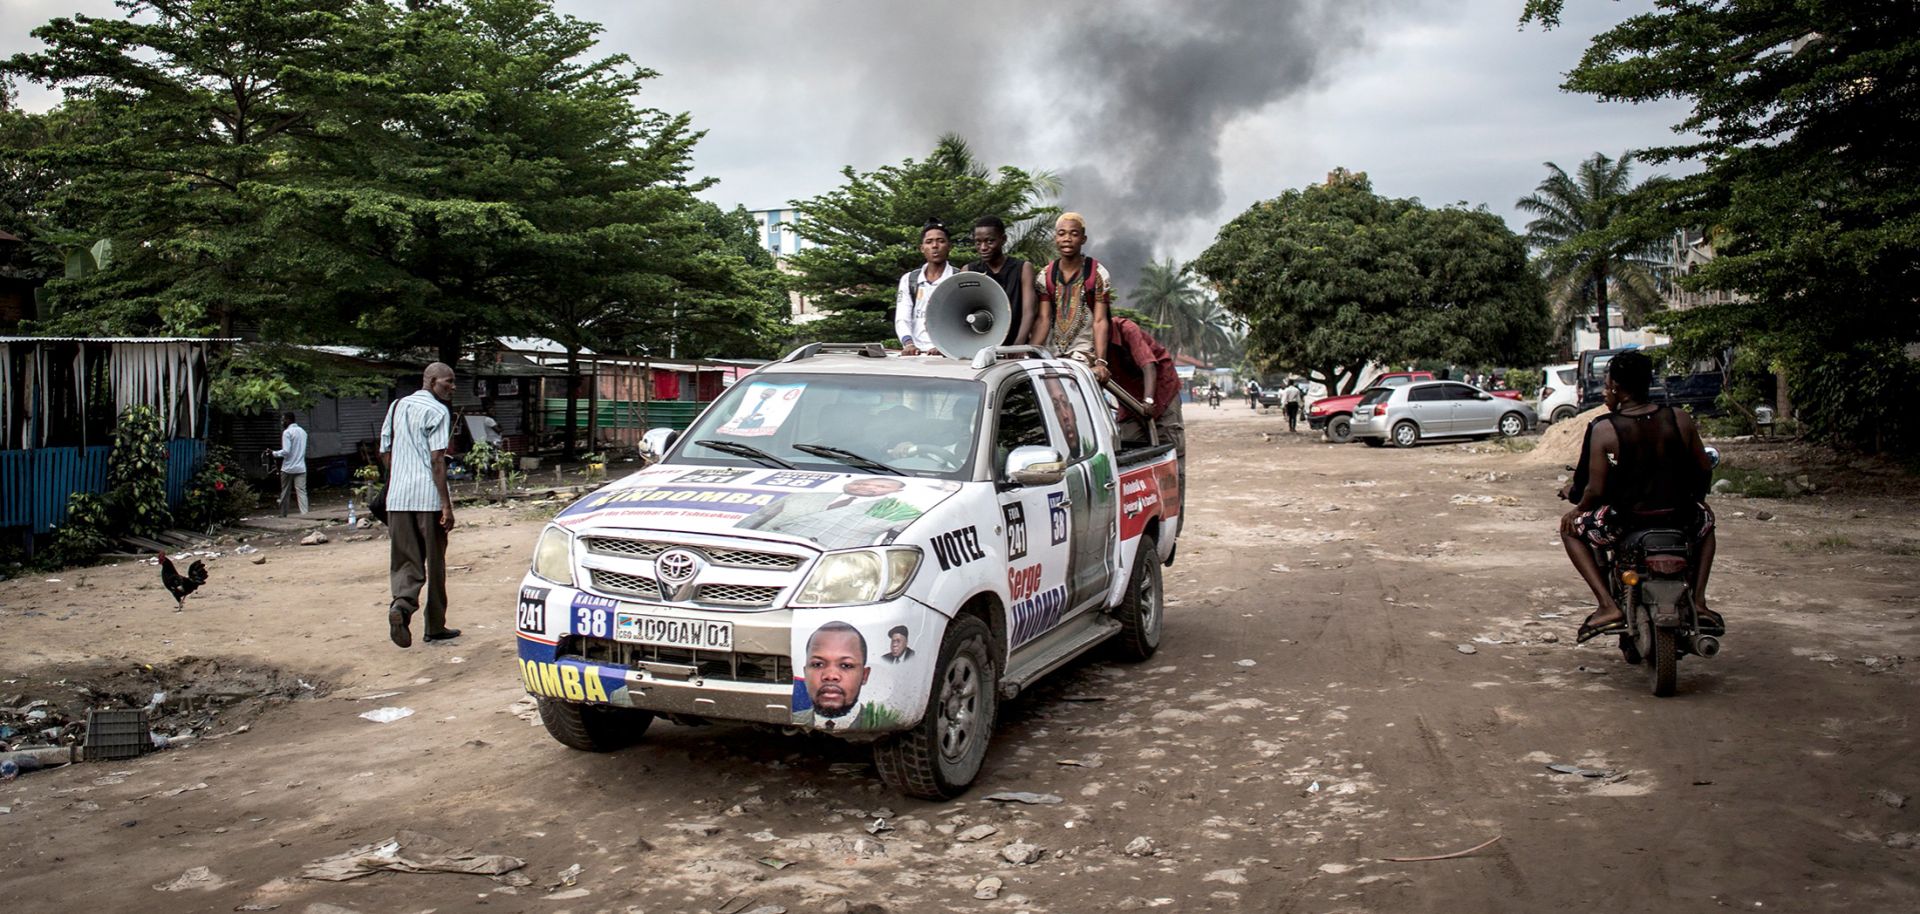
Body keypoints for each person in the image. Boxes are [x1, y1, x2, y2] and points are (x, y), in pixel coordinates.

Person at [1559, 349, 1721, 643]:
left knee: (1570, 530)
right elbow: (1702, 468)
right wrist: (1698, 498)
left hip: (1626, 522)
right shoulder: (1680, 419)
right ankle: (1698, 601)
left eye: (1608, 384)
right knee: (1707, 524)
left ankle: (1607, 606)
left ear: (1617, 388)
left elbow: (1593, 489)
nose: (1607, 389)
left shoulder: (1604, 429)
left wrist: (1577, 509)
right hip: (1680, 518)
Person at [380, 362, 459, 648]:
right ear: (432, 380)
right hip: (427, 498)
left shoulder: (396, 407)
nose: (452, 387)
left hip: (397, 499)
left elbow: (385, 451)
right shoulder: (438, 411)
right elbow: (438, 460)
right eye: (448, 382)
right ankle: (435, 626)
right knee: (435, 563)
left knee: (404, 561)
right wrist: (446, 506)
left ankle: (401, 607)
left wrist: (399, 477)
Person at [737, 477, 923, 549]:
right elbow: (754, 520)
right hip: (755, 551)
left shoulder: (897, 511)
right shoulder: (801, 496)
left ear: (893, 491)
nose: (867, 487)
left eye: (880, 486)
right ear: (848, 484)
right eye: (862, 483)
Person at [1037, 213, 1111, 370]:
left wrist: (1101, 361)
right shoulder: (1045, 275)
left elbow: (1100, 321)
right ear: (1055, 238)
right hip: (1052, 354)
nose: (1067, 239)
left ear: (1083, 239)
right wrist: (1030, 352)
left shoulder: (1097, 274)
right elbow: (1043, 319)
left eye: (1074, 234)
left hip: (1085, 353)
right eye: (1061, 233)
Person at [1107, 316, 1185, 463]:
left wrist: (1148, 400)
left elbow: (1148, 365)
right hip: (1129, 400)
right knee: (1129, 447)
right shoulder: (1086, 341)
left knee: (1170, 449)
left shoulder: (1127, 329)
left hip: (1161, 392)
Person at [965, 216, 1039, 348]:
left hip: (1013, 345)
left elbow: (1029, 311)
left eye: (990, 241)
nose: (983, 247)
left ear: (1003, 239)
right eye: (978, 242)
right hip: (980, 346)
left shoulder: (1022, 269)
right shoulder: (969, 271)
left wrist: (1018, 345)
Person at [895, 220, 963, 356]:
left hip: (949, 355)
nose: (935, 246)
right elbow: (902, 318)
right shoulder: (909, 279)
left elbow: (962, 321)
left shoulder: (959, 278)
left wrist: (944, 346)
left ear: (949, 246)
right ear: (922, 248)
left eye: (940, 241)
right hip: (915, 354)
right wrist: (908, 344)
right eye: (929, 241)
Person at [802, 621, 871, 722]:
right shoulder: (787, 722)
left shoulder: (891, 726)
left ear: (864, 676)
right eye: (818, 664)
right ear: (805, 674)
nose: (830, 675)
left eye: (846, 665)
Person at [267, 412, 309, 516]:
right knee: (301, 491)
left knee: (285, 491)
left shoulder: (287, 432)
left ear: (289, 420)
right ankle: (305, 514)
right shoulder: (303, 432)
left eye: (283, 420)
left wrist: (274, 453)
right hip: (301, 467)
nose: (282, 422)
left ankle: (283, 513)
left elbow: (286, 451)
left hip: (288, 468)